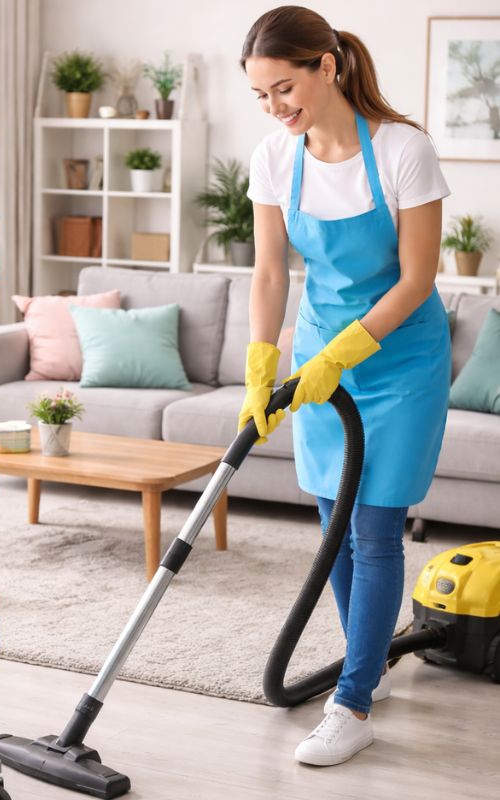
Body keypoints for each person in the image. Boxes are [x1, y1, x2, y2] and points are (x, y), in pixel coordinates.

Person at [237, 6, 451, 766]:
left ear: (328, 66)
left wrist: (345, 354)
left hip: (398, 361)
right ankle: (370, 664)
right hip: (322, 359)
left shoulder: (402, 149)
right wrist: (264, 361)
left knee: (374, 527)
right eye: (262, 95)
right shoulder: (274, 155)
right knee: (335, 528)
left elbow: (421, 278)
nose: (276, 108)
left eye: (285, 88)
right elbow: (269, 272)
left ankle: (353, 701)